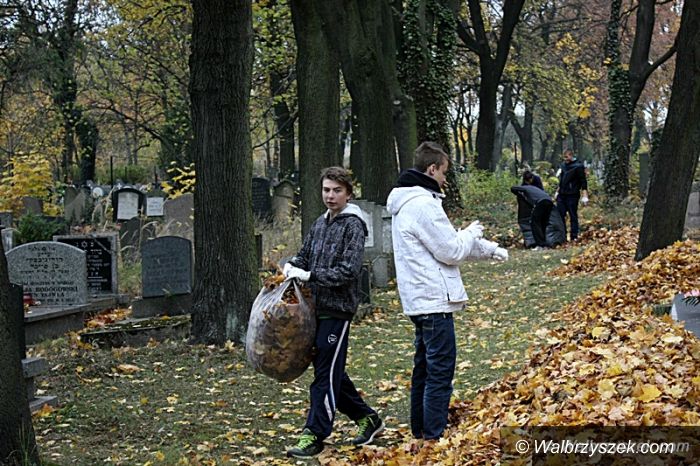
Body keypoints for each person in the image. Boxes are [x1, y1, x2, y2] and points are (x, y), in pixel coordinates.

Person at [386, 142, 509, 441]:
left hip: (420, 300)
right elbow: (452, 249)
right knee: (439, 371)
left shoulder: (411, 201)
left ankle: (421, 430)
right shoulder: (422, 204)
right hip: (433, 300)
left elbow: (446, 241)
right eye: (444, 172)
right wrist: (472, 232)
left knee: (424, 369)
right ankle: (433, 434)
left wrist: (490, 250)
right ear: (432, 169)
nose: (445, 179)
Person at [283, 166, 383, 458]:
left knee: (325, 373)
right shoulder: (320, 222)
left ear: (348, 193)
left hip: (338, 310)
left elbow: (348, 271)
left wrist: (310, 276)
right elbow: (305, 255)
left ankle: (314, 434)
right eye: (326, 190)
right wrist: (292, 265)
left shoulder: (353, 225)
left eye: (337, 190)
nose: (330, 195)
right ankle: (367, 418)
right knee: (330, 370)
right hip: (314, 309)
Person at [555, 149, 589, 241]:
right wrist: (557, 191)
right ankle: (562, 236)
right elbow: (561, 180)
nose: (565, 159)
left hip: (572, 194)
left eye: (566, 157)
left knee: (572, 215)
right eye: (564, 157)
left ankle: (574, 236)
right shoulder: (563, 165)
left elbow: (583, 181)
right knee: (560, 214)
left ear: (571, 155)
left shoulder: (578, 166)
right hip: (562, 194)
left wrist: (585, 195)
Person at [511, 184, 555, 248]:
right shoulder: (535, 189)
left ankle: (540, 244)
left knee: (534, 223)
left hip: (541, 202)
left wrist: (517, 193)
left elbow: (513, 188)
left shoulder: (526, 188)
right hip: (549, 201)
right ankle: (545, 243)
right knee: (543, 223)